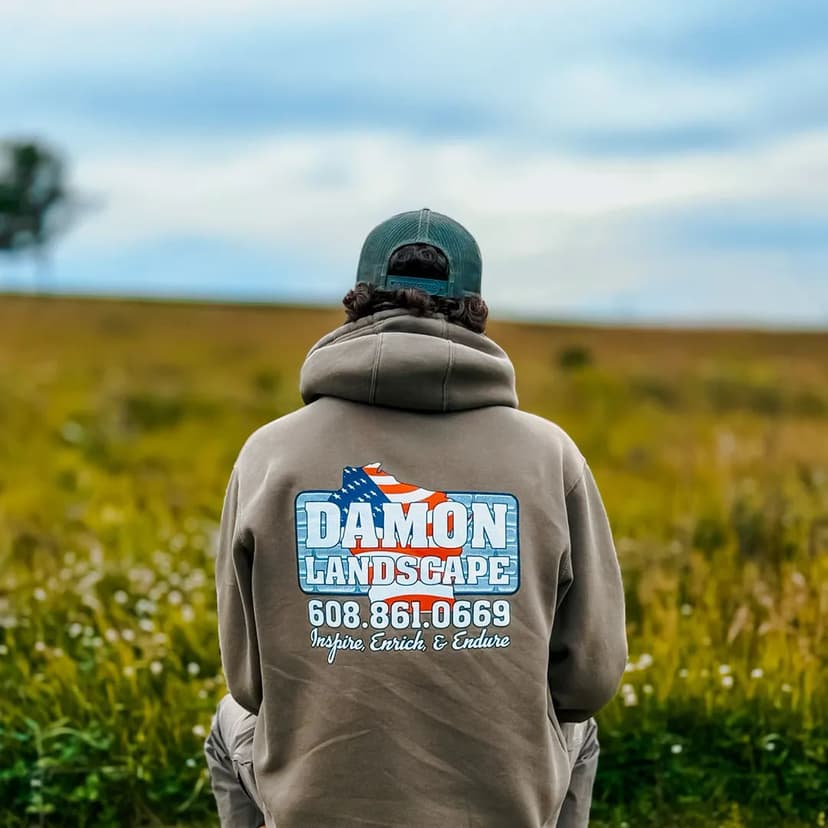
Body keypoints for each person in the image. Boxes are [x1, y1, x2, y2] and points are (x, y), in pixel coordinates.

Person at [204, 208, 627, 827]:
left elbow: (250, 683)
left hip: (318, 808)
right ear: (476, 313)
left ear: (356, 305)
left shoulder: (269, 453)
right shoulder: (550, 455)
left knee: (230, 721)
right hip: (502, 809)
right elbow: (587, 682)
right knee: (579, 733)